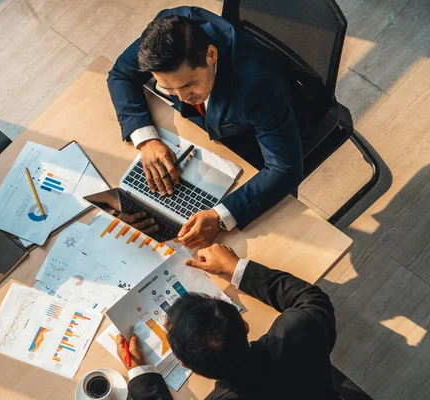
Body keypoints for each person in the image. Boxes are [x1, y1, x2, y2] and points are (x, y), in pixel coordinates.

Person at [108, 7, 312, 249]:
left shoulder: (258, 87)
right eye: (169, 89)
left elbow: (285, 168)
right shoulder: (169, 32)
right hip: (211, 126)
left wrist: (220, 217)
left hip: (260, 132)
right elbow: (121, 74)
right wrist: (146, 140)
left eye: (189, 85)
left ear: (211, 55)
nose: (183, 98)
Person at [115, 244, 337, 399]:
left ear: (185, 363)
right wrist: (236, 268)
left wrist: (141, 375)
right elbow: (311, 299)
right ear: (245, 325)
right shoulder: (301, 330)